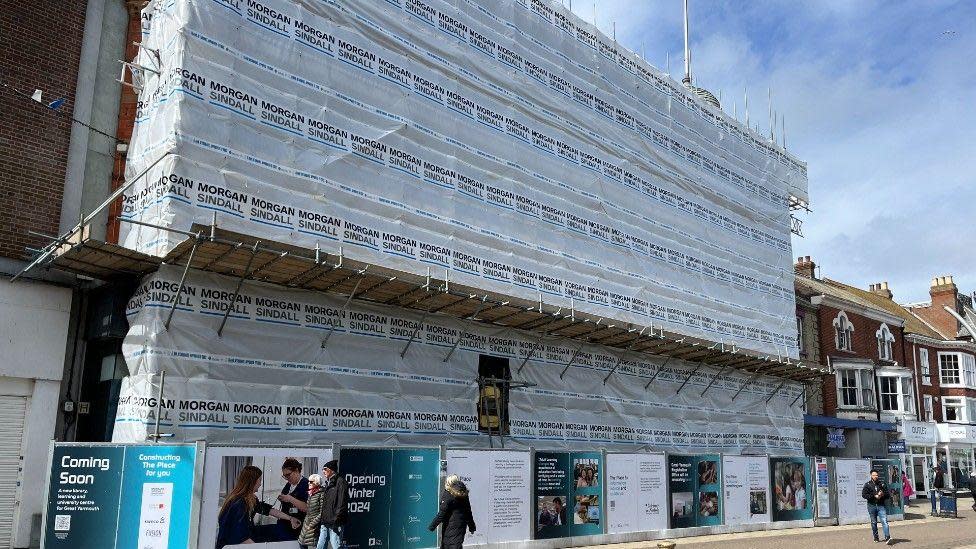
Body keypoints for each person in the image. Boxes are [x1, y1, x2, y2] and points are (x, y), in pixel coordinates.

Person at [255, 458, 308, 542]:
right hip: (285, 524)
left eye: (288, 475)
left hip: (297, 526)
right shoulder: (288, 485)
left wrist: (290, 499)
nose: (287, 478)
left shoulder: (306, 484)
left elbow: (306, 507)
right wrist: (282, 498)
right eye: (284, 476)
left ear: (297, 470)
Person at [216, 465, 263, 548]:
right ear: (253, 481)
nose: (260, 484)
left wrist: (290, 518)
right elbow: (242, 537)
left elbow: (266, 509)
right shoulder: (240, 504)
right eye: (259, 480)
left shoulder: (241, 499)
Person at [428, 475, 476, 549]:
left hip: (449, 526)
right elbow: (468, 512)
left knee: (448, 545)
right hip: (460, 526)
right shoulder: (464, 493)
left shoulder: (447, 495)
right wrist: (472, 527)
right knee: (456, 545)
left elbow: (441, 514)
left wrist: (432, 526)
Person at [318, 459, 348, 549]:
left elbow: (342, 503)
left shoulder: (341, 482)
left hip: (335, 522)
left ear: (331, 470)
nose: (323, 471)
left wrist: (336, 519)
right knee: (320, 545)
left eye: (325, 469)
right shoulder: (328, 482)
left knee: (336, 545)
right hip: (325, 521)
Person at [862, 469, 892, 545]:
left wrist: (882, 495)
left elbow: (888, 495)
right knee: (874, 522)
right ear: (871, 475)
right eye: (874, 475)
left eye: (877, 475)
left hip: (881, 506)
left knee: (885, 522)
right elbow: (864, 495)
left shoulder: (882, 484)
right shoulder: (867, 484)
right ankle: (876, 537)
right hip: (871, 506)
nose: (876, 476)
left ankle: (887, 537)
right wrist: (874, 496)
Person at [298, 474, 324, 549]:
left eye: (311, 482)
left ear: (317, 483)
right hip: (306, 524)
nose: (308, 483)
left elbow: (322, 512)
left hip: (314, 526)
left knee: (314, 544)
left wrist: (313, 523)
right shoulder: (311, 494)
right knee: (301, 543)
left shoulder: (321, 494)